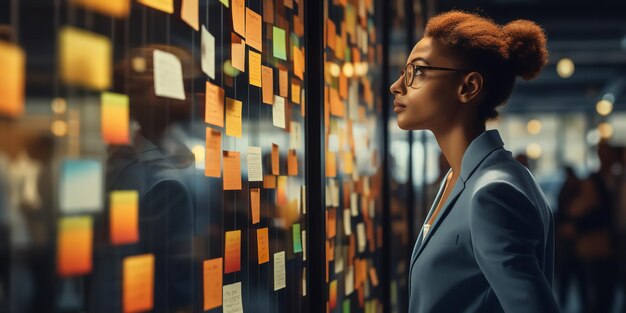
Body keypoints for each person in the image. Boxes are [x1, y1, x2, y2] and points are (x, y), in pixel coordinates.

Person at [389, 11, 560, 312]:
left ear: (468, 87)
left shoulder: (491, 192)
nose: (397, 85)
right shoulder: (462, 178)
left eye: (416, 71)